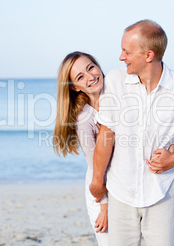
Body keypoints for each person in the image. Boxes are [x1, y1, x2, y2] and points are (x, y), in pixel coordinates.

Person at [90, 20, 174, 245]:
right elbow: (106, 134)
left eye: (126, 51)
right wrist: (97, 181)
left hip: (161, 193)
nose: (121, 57)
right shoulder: (115, 81)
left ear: (148, 55)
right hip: (120, 193)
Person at [53, 51, 109, 245]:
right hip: (100, 189)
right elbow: (95, 166)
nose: (91, 77)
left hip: (121, 183)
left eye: (91, 67)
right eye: (80, 77)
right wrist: (104, 206)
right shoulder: (85, 119)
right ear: (75, 88)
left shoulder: (119, 96)